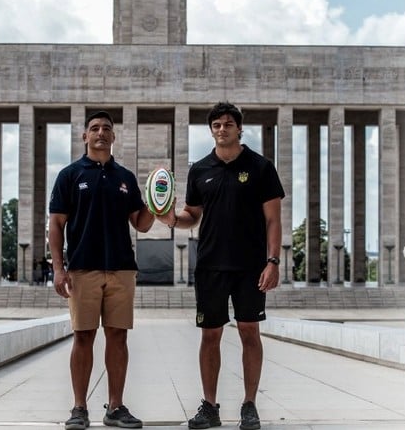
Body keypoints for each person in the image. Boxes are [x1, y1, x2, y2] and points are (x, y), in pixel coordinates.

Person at [156, 102, 284, 430]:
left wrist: (273, 261)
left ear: (239, 128)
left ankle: (249, 405)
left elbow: (273, 220)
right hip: (211, 264)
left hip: (251, 266)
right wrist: (171, 219)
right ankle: (210, 407)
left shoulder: (260, 167)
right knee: (209, 335)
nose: (222, 129)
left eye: (228, 124)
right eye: (216, 125)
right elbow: (191, 216)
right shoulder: (199, 170)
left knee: (249, 332)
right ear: (210, 130)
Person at [49, 110, 155, 430]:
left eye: (106, 129)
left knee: (118, 338)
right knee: (83, 337)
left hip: (121, 268)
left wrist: (157, 203)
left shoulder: (125, 177)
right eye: (94, 128)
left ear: (113, 137)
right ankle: (79, 407)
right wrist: (58, 268)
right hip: (83, 268)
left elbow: (142, 223)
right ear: (85, 136)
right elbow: (55, 224)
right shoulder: (70, 175)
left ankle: (116, 407)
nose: (100, 133)